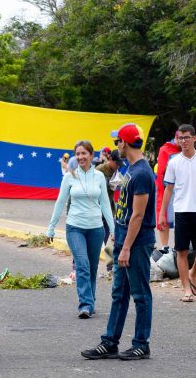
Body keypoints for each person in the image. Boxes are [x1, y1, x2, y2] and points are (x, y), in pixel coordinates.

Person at [81, 123, 155, 361]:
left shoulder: (142, 173)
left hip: (137, 242)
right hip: (124, 238)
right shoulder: (132, 169)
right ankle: (110, 342)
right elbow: (125, 212)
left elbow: (138, 215)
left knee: (140, 294)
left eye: (117, 142)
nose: (116, 147)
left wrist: (125, 248)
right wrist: (117, 234)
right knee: (119, 294)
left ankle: (141, 344)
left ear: (124, 143)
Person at [47, 141, 114, 319]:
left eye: (84, 153)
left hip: (96, 229)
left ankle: (90, 300)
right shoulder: (69, 177)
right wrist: (51, 228)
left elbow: (106, 205)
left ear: (91, 156)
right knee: (82, 265)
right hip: (75, 227)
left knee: (92, 268)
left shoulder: (99, 177)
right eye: (78, 154)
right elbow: (60, 202)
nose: (80, 157)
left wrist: (114, 231)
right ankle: (85, 304)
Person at [159, 124, 196, 302]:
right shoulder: (174, 161)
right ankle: (186, 290)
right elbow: (168, 189)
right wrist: (162, 214)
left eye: (186, 137)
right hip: (181, 211)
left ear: (194, 138)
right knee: (181, 251)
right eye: (180, 138)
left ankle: (193, 273)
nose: (183, 141)